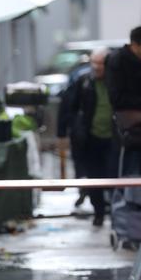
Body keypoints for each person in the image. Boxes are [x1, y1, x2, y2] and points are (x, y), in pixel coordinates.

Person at [60, 48, 117, 227]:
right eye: (94, 63)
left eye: (101, 63)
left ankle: (116, 213)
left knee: (114, 176)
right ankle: (98, 212)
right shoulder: (83, 81)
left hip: (113, 138)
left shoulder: (115, 81)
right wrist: (69, 131)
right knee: (94, 177)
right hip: (90, 138)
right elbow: (68, 108)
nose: (97, 67)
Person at [105, 25, 141, 175]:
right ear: (135, 45)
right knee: (131, 170)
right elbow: (117, 98)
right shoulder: (117, 61)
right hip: (129, 131)